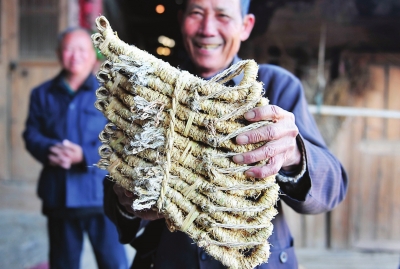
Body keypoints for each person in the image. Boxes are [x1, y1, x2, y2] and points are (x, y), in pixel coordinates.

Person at [103, 0, 349, 268]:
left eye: (222, 15)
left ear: (246, 26)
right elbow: (116, 189)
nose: (207, 29)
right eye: (197, 13)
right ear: (181, 18)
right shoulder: (148, 88)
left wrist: (294, 155)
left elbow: (332, 188)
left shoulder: (275, 88)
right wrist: (127, 203)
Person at [23, 27, 128, 269]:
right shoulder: (41, 94)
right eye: (69, 49)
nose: (75, 55)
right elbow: (31, 134)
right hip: (59, 196)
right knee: (63, 263)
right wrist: (48, 149)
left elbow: (121, 138)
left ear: (94, 55)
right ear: (59, 54)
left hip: (101, 196)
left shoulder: (110, 95)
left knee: (113, 263)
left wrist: (86, 154)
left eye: (82, 49)